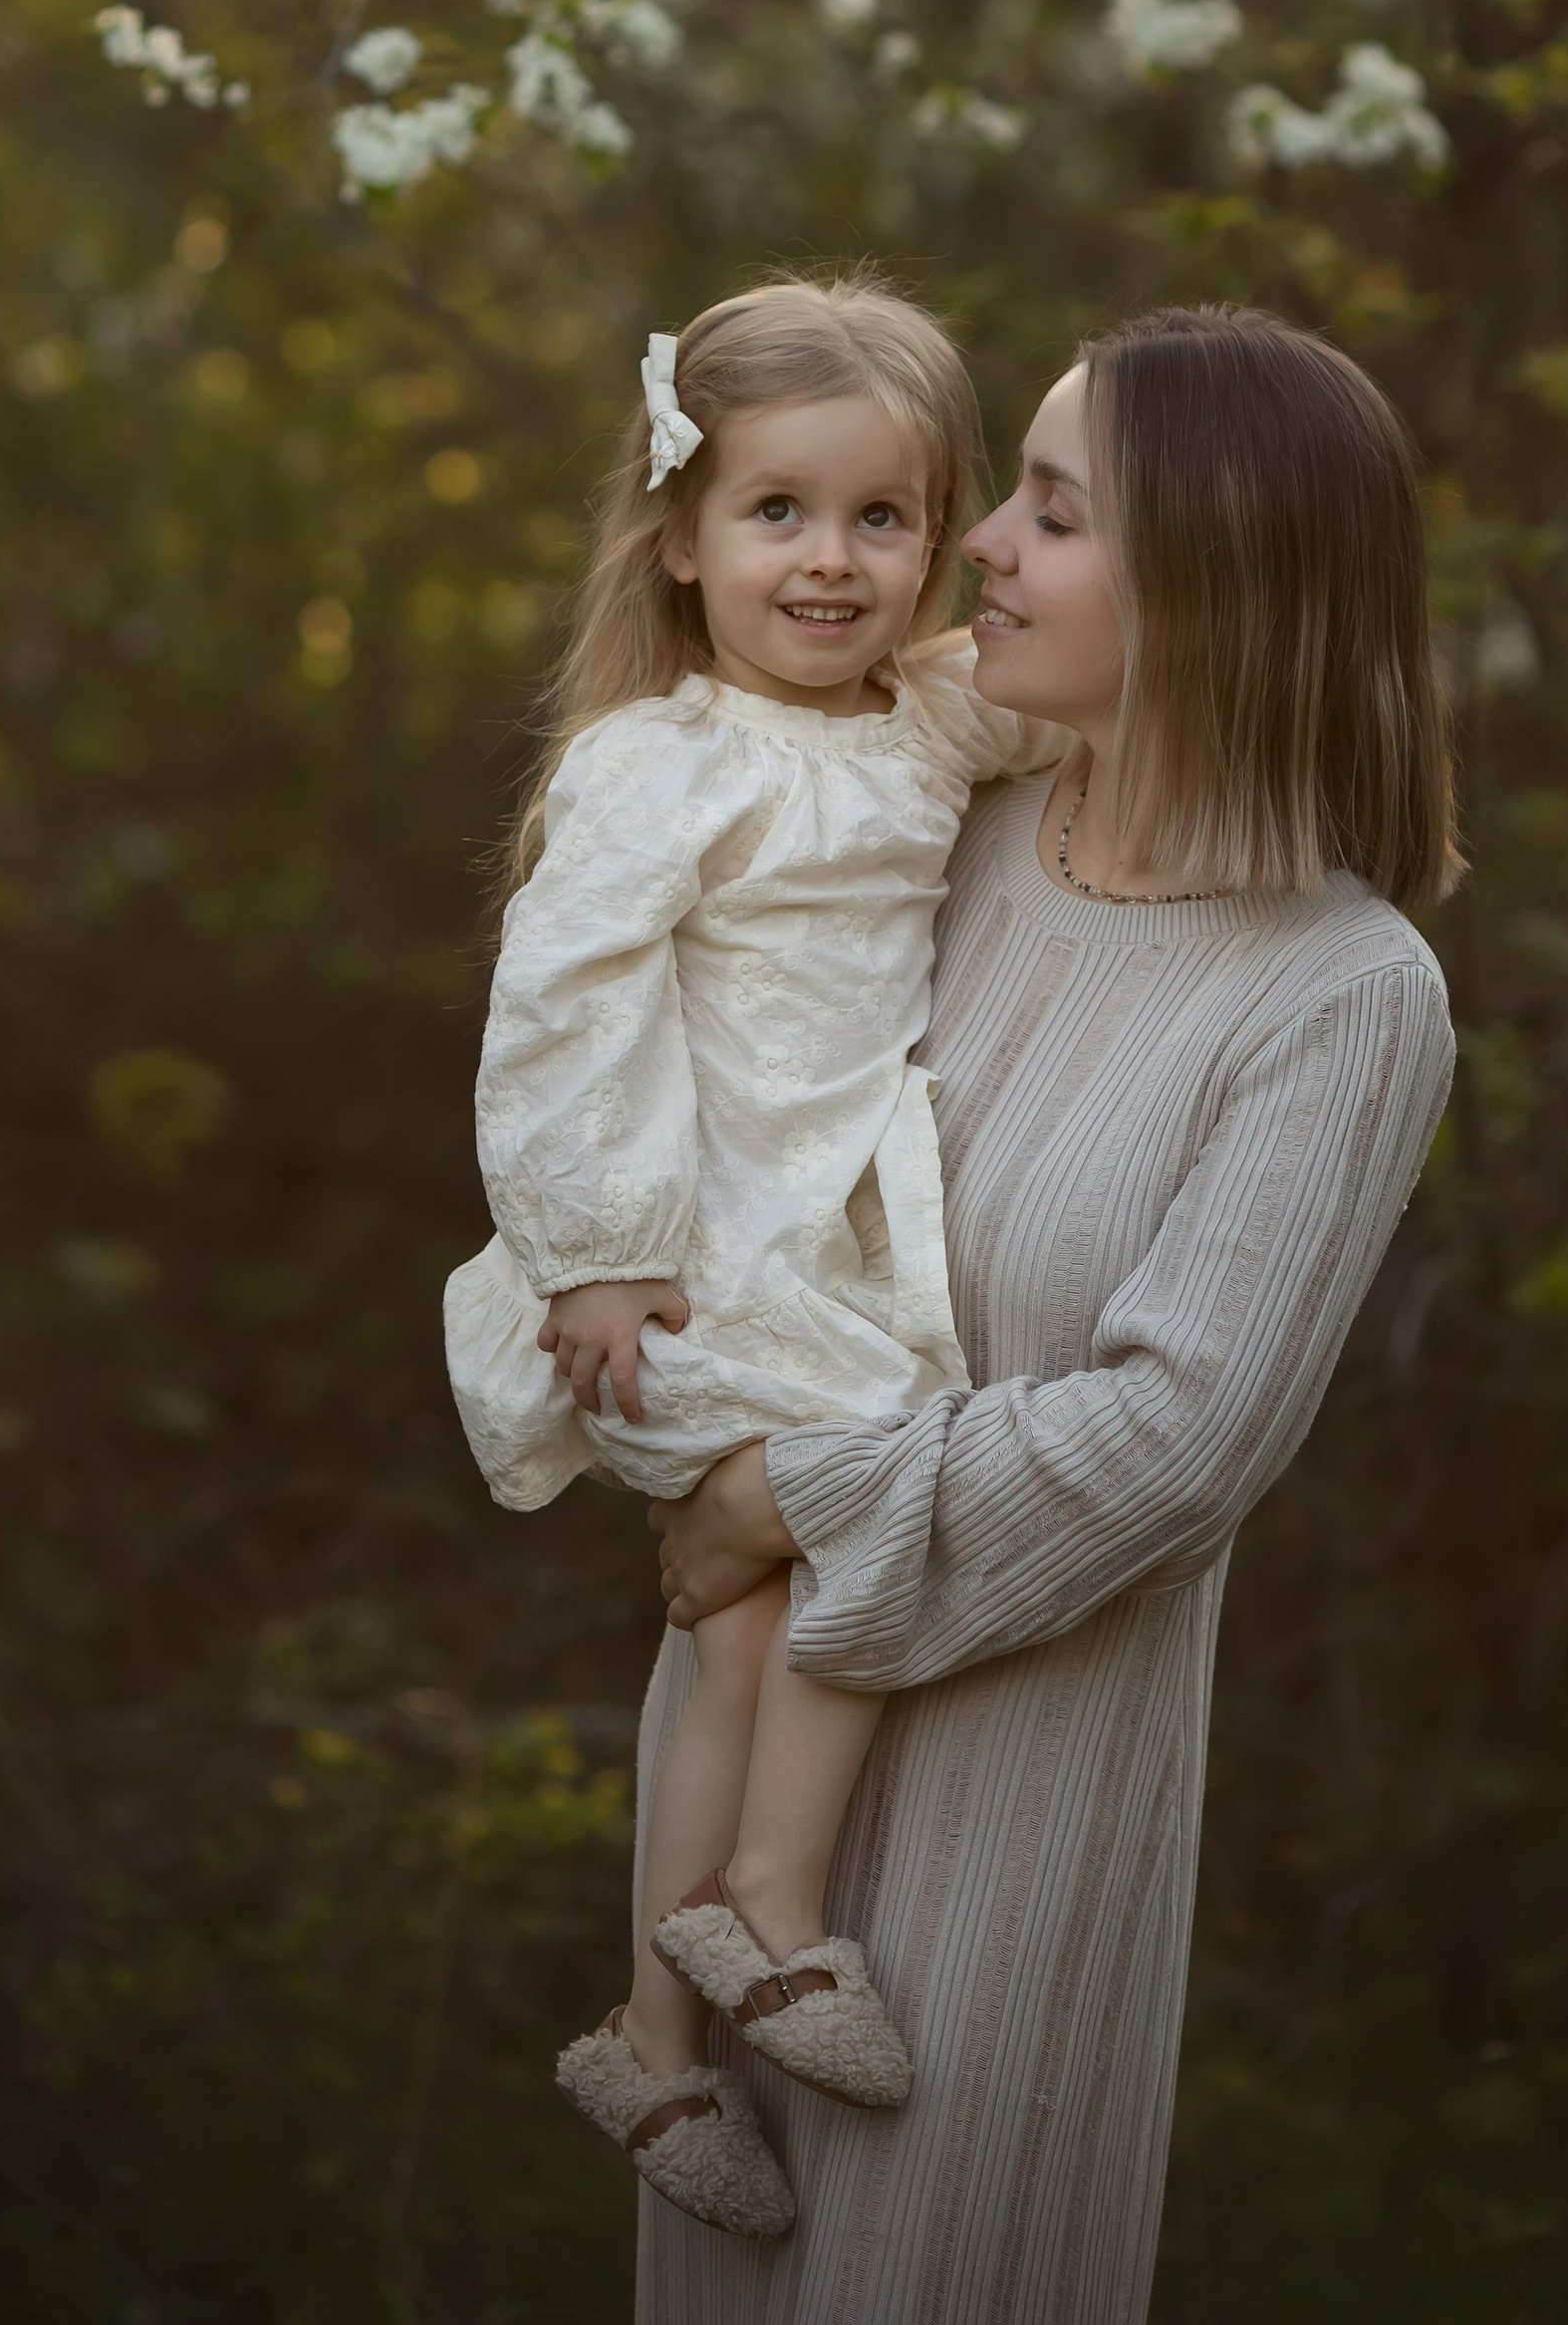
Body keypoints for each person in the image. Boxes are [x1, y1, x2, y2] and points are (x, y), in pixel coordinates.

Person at [632, 302, 1460, 2323]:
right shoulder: (937, 836)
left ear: (1213, 588)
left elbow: (1174, 1439)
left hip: (1020, 1810)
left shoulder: (1340, 997)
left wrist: (786, 1496)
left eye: (1053, 513)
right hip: (739, 1752)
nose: (977, 544)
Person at [444, 276, 1064, 2240]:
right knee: (847, 1527)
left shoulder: (924, 722)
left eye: (882, 518)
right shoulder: (658, 763)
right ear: (680, 536)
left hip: (820, 1245)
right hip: (679, 1259)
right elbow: (563, 1011)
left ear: (937, 533)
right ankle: (770, 1909)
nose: (829, 561)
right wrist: (594, 1254)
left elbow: (1092, 685)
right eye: (776, 512)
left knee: (746, 1629)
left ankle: (652, 2035)